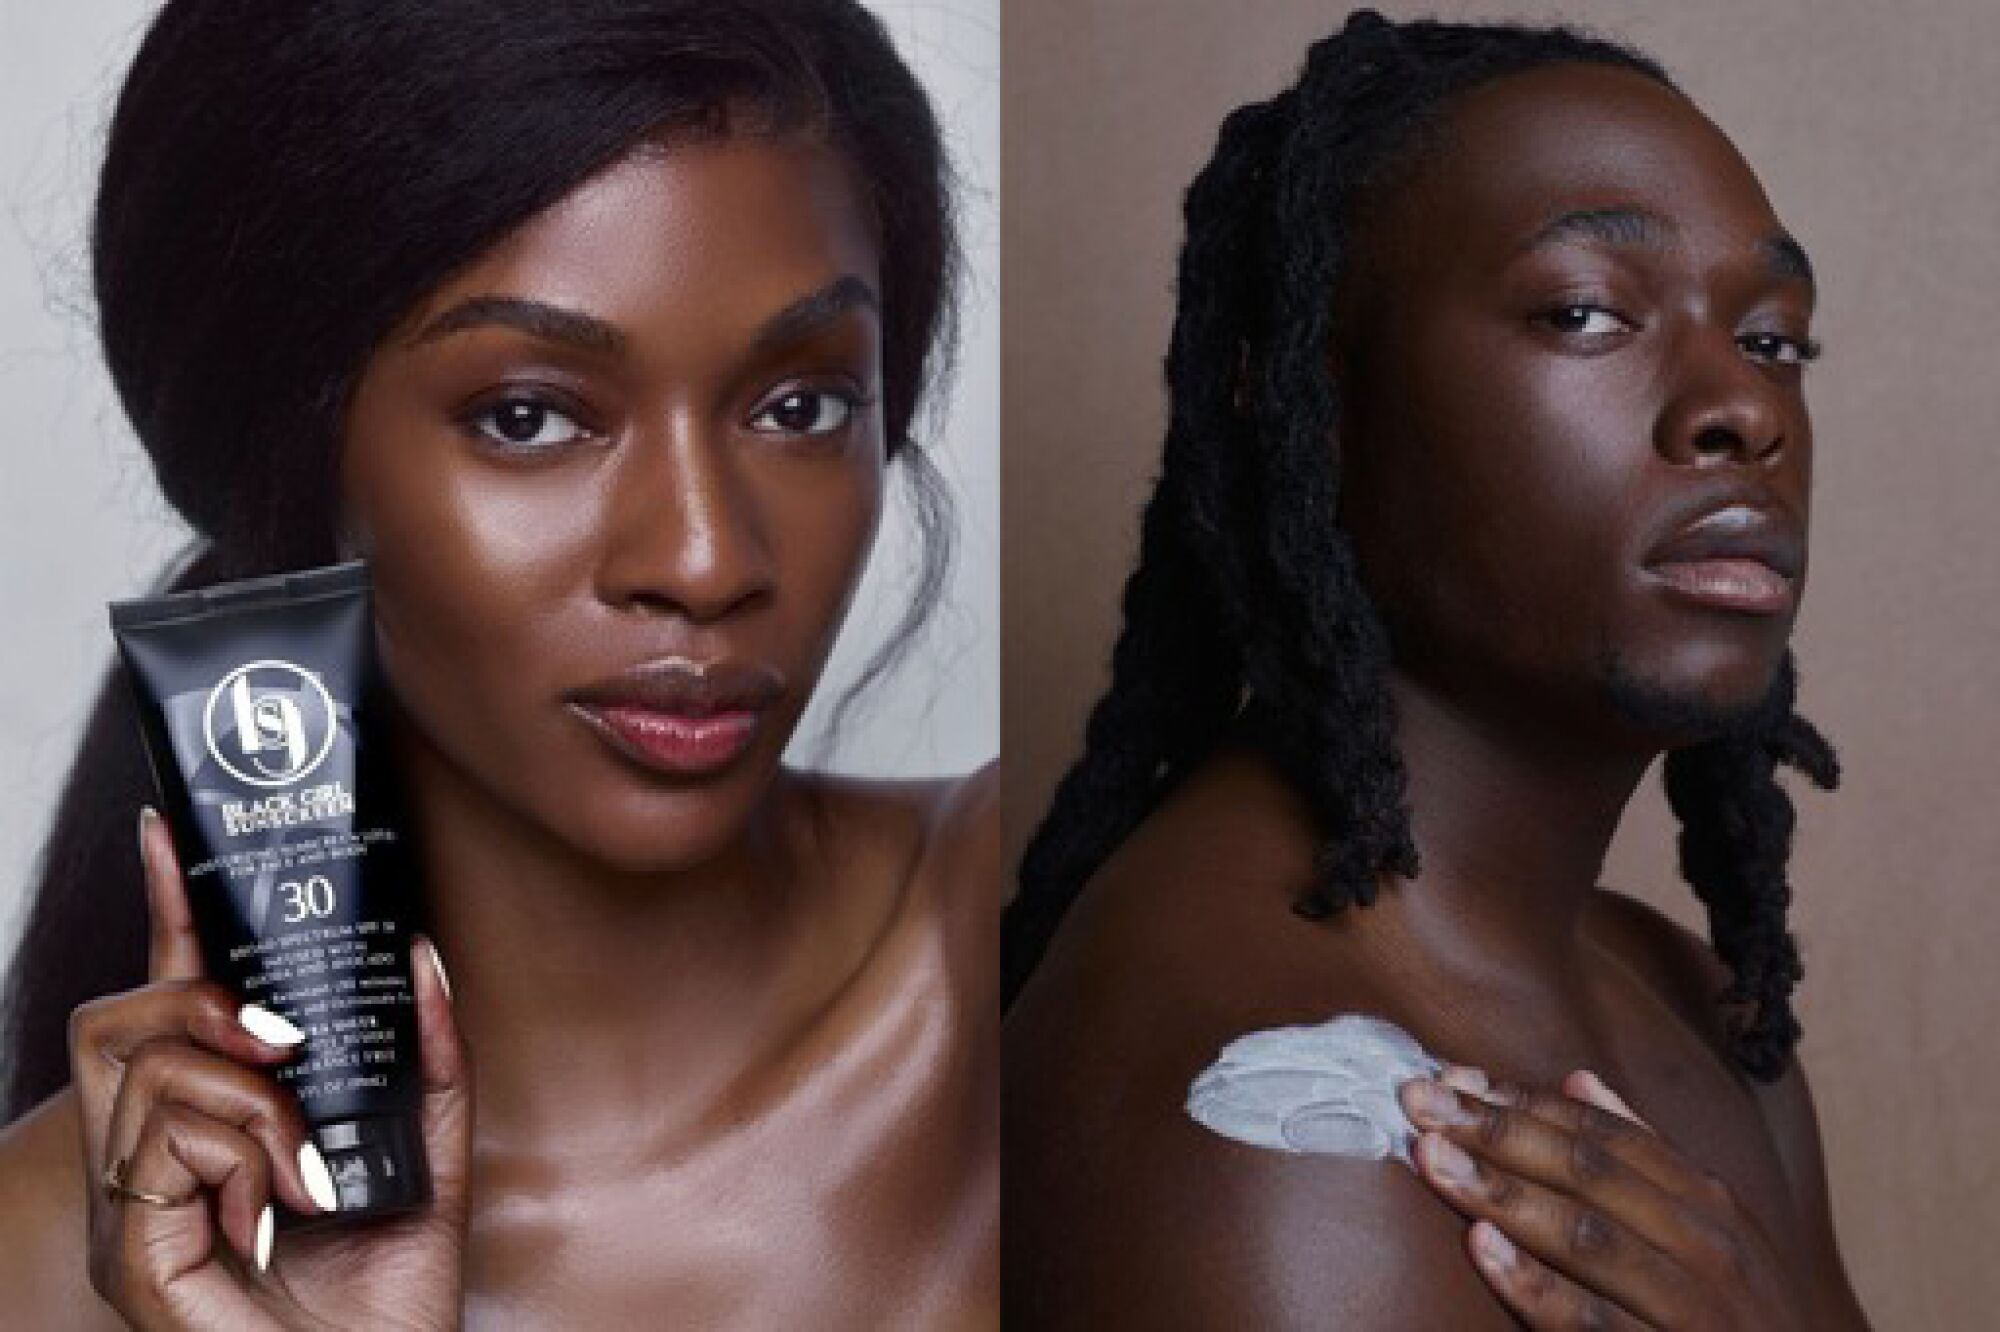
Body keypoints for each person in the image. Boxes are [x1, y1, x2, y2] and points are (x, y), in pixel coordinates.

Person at [0, 1, 996, 1327]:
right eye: (529, 416)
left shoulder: (1034, 947)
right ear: (301, 468)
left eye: (801, 405)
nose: (704, 562)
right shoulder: (51, 1254)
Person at [1004, 12, 1869, 1329]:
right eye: (1586, 312)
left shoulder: (1696, 1006)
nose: (1743, 409)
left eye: (1774, 342)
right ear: (1304, 405)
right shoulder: (1273, 1124)